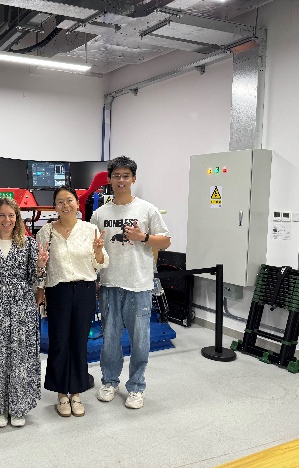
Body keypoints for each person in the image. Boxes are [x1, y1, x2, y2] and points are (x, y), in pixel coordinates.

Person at [90, 156, 171, 410]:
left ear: (133, 179)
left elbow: (166, 241)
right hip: (110, 283)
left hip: (139, 285)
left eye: (126, 176)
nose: (121, 180)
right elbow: (93, 247)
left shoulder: (147, 209)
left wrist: (143, 237)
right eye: (116, 176)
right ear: (109, 179)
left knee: (140, 340)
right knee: (110, 338)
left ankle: (136, 386)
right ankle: (109, 381)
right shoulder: (100, 214)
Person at [0, 197, 49, 428]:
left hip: (22, 308)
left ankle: (19, 407)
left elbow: (35, 278)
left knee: (20, 358)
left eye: (11, 215)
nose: (6, 220)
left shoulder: (28, 244)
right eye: (2, 215)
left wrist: (40, 265)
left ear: (17, 218)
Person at [36, 186, 108, 417]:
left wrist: (98, 250)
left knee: (78, 341)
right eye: (60, 202)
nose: (65, 205)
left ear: (77, 203)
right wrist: (39, 292)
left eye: (69, 200)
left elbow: (100, 263)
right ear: (54, 206)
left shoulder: (90, 229)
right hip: (57, 291)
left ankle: (76, 392)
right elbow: (41, 268)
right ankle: (61, 394)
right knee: (59, 342)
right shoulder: (45, 232)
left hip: (85, 289)